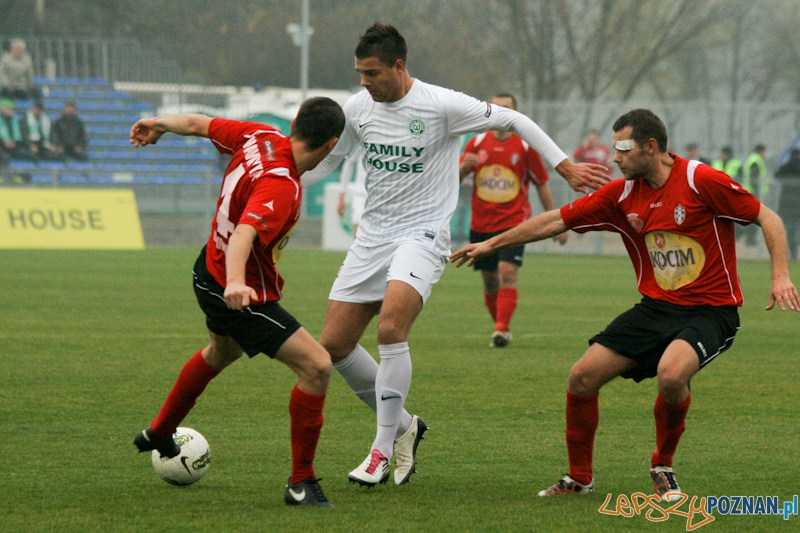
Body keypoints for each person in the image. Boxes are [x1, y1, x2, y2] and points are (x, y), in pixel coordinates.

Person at [300, 23, 609, 488]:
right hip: (372, 237)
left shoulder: (441, 104)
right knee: (336, 345)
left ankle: (381, 450)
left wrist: (563, 164)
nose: (364, 82)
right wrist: (284, 179)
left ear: (399, 67)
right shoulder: (358, 107)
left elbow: (515, 121)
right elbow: (330, 160)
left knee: (390, 328)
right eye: (360, 73)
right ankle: (404, 425)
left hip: (423, 234)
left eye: (372, 73)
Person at [452, 108, 798, 501]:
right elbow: (555, 220)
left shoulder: (700, 180)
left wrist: (780, 275)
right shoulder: (621, 195)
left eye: (623, 150)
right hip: (655, 309)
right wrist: (492, 243)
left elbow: (769, 218)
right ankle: (580, 477)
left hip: (710, 310)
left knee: (671, 375)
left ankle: (662, 467)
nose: (614, 158)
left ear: (651, 147)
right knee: (582, 376)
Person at [129, 96, 345, 507]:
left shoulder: (259, 135)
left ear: (295, 121)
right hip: (238, 291)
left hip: (205, 270)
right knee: (317, 366)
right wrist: (234, 284)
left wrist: (157, 122)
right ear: (331, 144)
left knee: (221, 351)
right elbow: (245, 233)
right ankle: (302, 484)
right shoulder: (281, 182)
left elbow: (197, 122)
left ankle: (160, 431)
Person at [459, 92, 568, 348]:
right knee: (489, 281)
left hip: (515, 223)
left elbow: (541, 185)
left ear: (515, 114)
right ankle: (501, 328)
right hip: (481, 224)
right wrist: (462, 168)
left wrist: (557, 223)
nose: (500, 113)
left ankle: (501, 328)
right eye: (495, 108)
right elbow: (450, 183)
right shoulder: (476, 143)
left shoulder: (525, 147)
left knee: (507, 273)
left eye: (506, 108)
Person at [775, 148, 800, 261]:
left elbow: (777, 175)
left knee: (789, 230)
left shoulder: (787, 166)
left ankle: (792, 253)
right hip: (798, 203)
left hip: (787, 203)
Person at [337, 144, 368, 236]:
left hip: (383, 197)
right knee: (358, 236)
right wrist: (342, 195)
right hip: (361, 195)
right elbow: (348, 164)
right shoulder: (362, 139)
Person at [742, 144, 769, 246]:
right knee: (754, 217)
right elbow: (755, 178)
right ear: (761, 151)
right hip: (753, 192)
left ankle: (751, 239)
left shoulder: (754, 159)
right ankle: (751, 240)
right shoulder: (755, 160)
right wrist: (757, 192)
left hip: (752, 191)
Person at [0, 98, 36, 163]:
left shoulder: (14, 120)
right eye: (7, 108)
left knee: (31, 155)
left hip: (14, 146)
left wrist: (14, 142)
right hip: (1, 146)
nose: (9, 110)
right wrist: (4, 142)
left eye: (10, 109)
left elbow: (18, 134)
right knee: (4, 157)